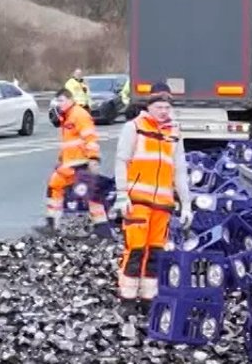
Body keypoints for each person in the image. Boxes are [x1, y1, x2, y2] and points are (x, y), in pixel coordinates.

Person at [111, 91, 193, 306]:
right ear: (149, 107)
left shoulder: (174, 133)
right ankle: (127, 299)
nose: (164, 112)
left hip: (162, 204)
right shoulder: (135, 128)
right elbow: (122, 161)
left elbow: (180, 170)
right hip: (137, 201)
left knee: (156, 253)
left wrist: (186, 205)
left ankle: (149, 299)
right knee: (136, 250)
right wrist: (121, 195)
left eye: (167, 108)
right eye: (159, 108)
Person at [44, 89, 105, 230]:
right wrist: (61, 159)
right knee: (56, 186)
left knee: (89, 194)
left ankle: (102, 228)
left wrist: (93, 158)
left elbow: (90, 137)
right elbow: (68, 143)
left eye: (61, 101)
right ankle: (52, 223)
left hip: (80, 162)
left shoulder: (79, 115)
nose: (59, 105)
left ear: (70, 99)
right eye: (57, 101)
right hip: (72, 163)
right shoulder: (68, 116)